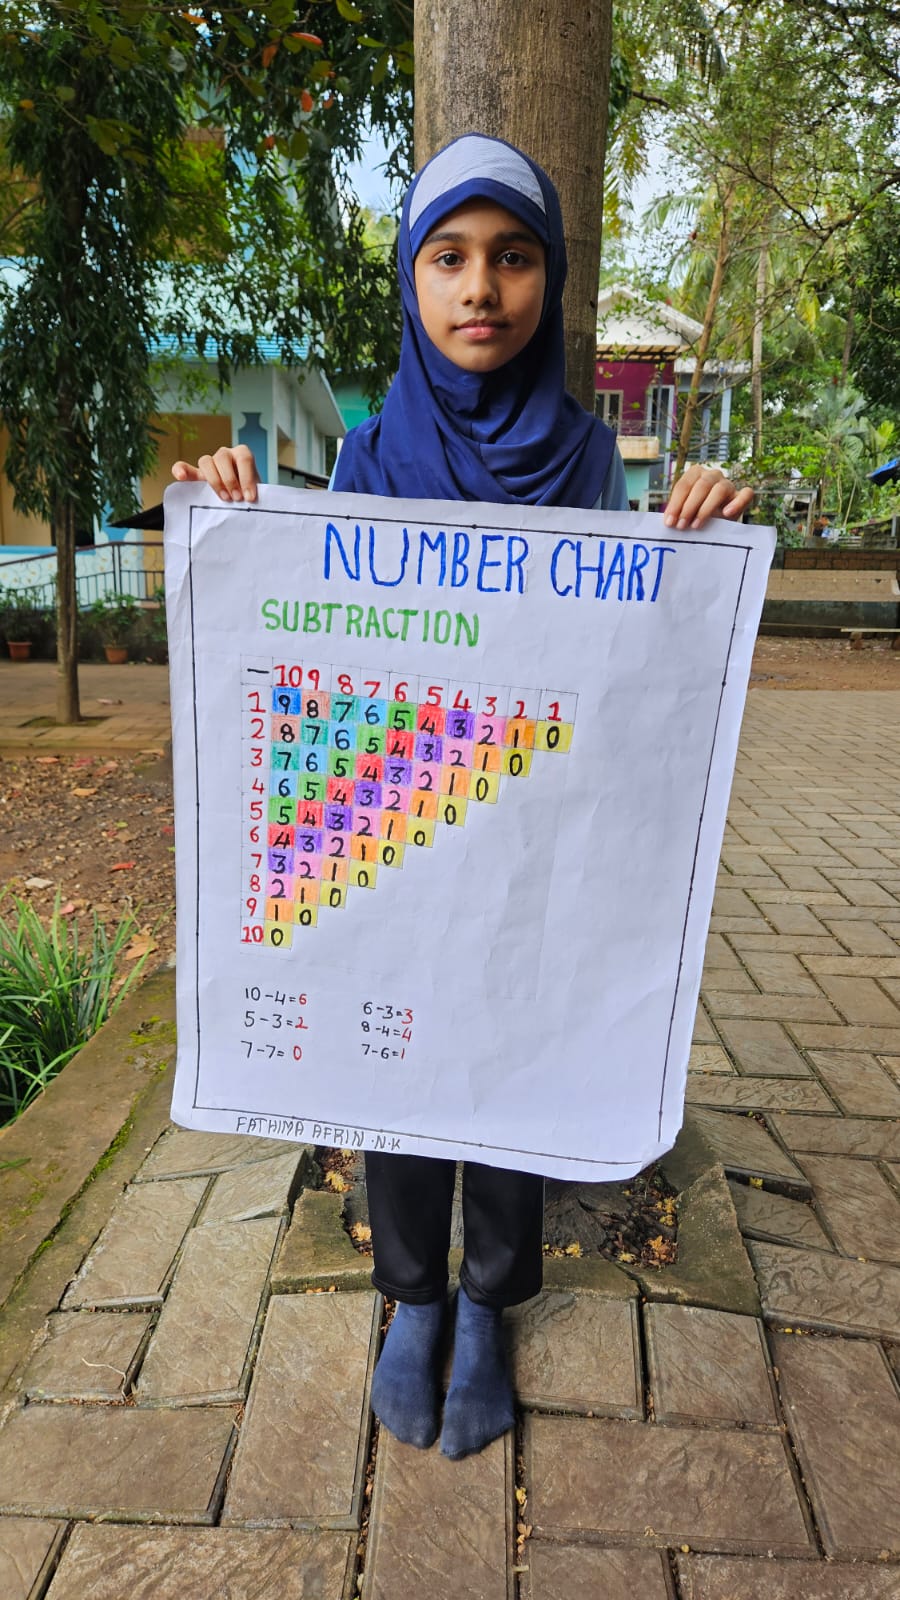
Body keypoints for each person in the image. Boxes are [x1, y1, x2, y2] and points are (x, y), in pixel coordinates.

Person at [173, 133, 754, 1460]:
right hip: (401, 821)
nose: (480, 287)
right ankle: (415, 1299)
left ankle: (490, 1304)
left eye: (513, 257)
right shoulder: (369, 455)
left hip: (529, 829)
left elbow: (630, 650)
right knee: (394, 1068)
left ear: (550, 280)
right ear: (411, 279)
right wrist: (230, 512)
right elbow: (306, 620)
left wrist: (704, 528)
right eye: (448, 257)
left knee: (512, 1061)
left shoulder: (592, 464)